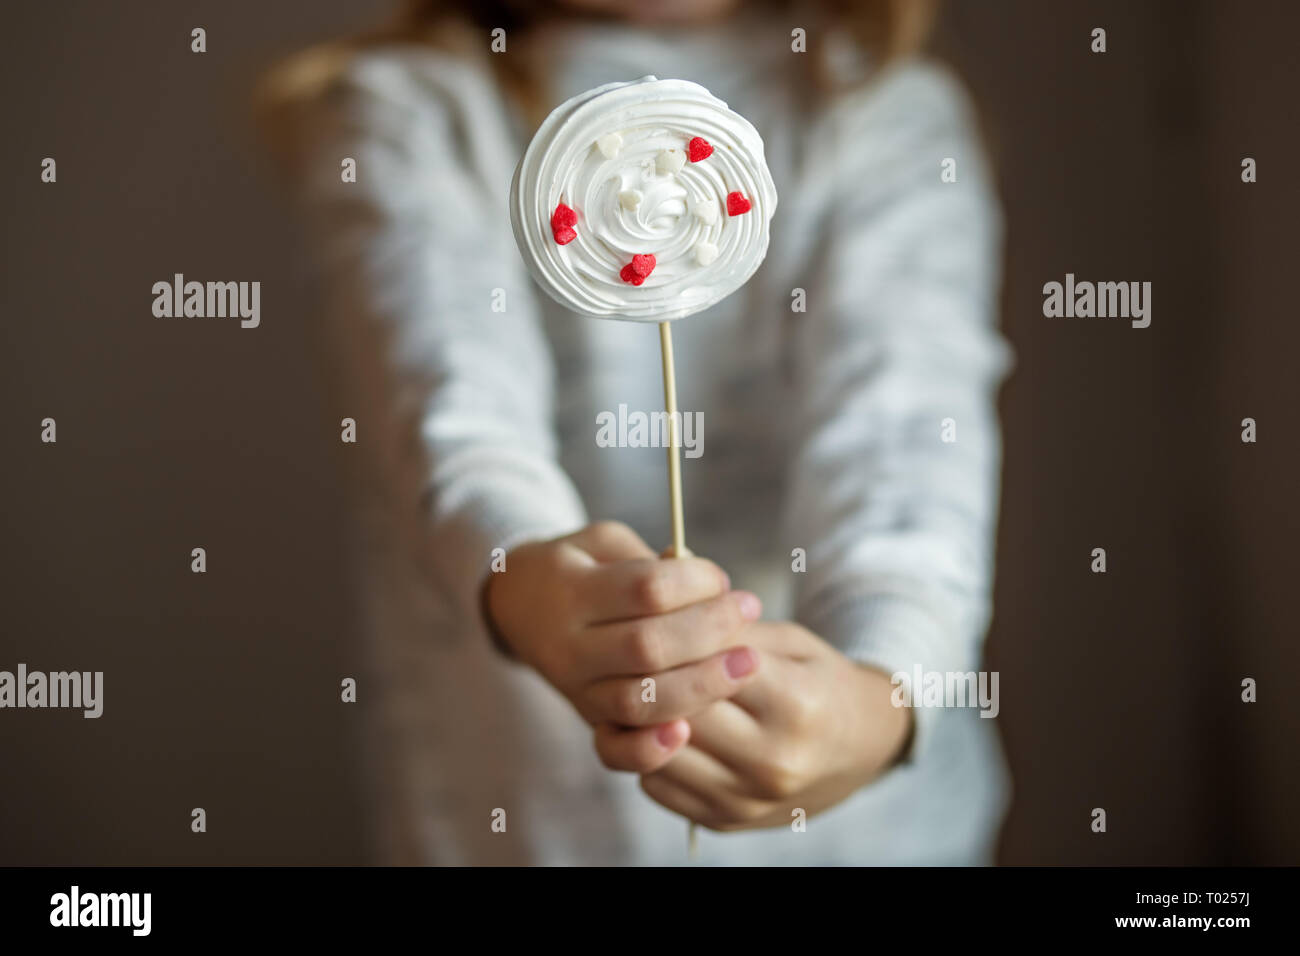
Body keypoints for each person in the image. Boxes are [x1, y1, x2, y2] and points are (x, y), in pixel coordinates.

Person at [259, 0, 1013, 865]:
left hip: (877, 838)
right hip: (514, 826)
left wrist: (880, 703)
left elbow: (906, 447)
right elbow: (451, 425)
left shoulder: (886, 111)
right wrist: (531, 580)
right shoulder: (406, 108)